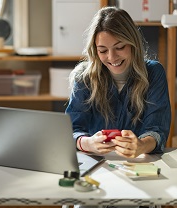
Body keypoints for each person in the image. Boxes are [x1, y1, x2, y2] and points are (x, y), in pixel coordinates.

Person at [65, 6, 171, 159]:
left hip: (139, 163)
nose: (112, 57)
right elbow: (71, 130)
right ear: (95, 51)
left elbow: (157, 129)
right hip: (97, 165)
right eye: (103, 50)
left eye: (120, 47)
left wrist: (141, 145)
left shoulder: (154, 73)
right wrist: (89, 143)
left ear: (133, 43)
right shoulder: (84, 77)